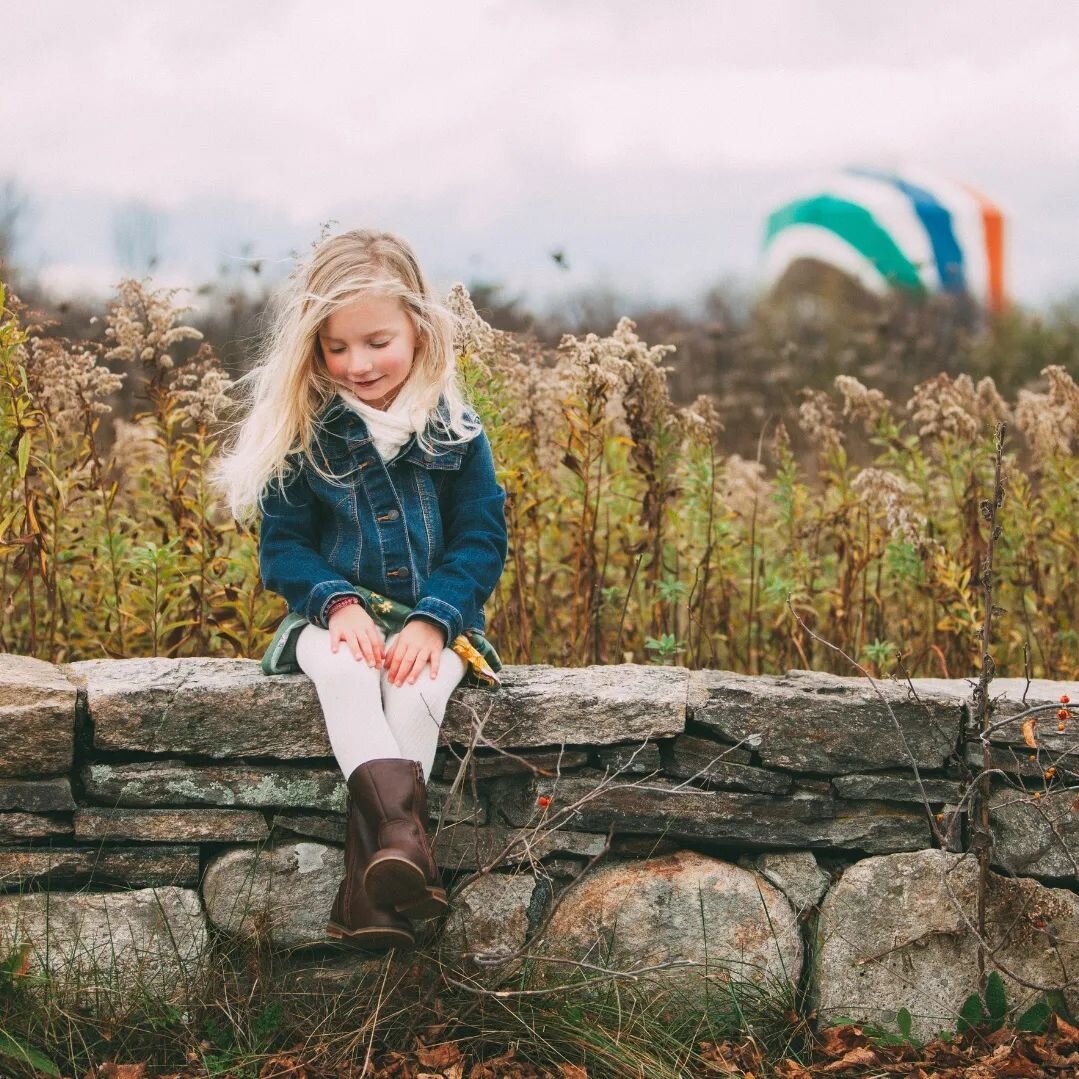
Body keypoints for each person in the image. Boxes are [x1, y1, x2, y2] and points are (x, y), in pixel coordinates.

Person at [214, 228, 508, 952]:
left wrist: (436, 621)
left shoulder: (456, 431)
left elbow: (480, 540)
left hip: (432, 623)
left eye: (376, 341)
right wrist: (336, 604)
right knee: (346, 671)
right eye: (335, 348)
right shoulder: (305, 431)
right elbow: (283, 548)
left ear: (418, 326)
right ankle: (406, 841)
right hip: (329, 620)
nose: (357, 364)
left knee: (418, 687)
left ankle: (367, 894)